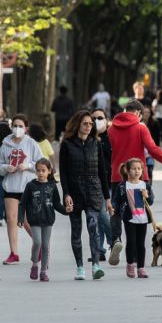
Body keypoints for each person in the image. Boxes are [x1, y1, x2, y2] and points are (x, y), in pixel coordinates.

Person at [107, 99, 162, 266]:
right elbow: (153, 150)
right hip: (139, 177)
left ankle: (116, 240)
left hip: (117, 176)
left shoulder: (111, 129)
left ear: (125, 110)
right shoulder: (141, 127)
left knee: (117, 212)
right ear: (139, 114)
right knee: (140, 212)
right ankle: (134, 255)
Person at [59, 110, 112, 280]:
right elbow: (63, 173)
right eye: (85, 124)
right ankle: (80, 267)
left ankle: (96, 265)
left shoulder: (95, 143)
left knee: (93, 226)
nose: (89, 126)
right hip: (74, 193)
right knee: (76, 231)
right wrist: (66, 194)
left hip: (93, 191)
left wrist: (107, 198)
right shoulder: (67, 144)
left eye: (91, 124)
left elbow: (102, 172)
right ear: (77, 125)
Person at [0, 114, 44, 265]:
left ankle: (41, 245)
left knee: (26, 220)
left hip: (27, 186)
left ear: (26, 128)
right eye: (15, 125)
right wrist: (6, 167)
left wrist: (28, 166)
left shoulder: (31, 143)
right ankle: (14, 253)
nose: (17, 129)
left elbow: (42, 163)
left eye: (20, 126)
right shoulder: (5, 144)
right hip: (10, 186)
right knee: (11, 219)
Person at [18, 158, 67, 282]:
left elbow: (57, 204)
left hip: (48, 221)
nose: (40, 173)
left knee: (45, 246)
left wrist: (67, 211)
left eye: (43, 170)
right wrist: (20, 218)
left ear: (49, 171)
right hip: (34, 220)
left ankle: (43, 271)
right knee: (37, 242)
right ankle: (35, 264)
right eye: (38, 170)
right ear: (35, 171)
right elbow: (22, 203)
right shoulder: (30, 186)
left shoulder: (52, 186)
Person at [112, 158, 155, 278]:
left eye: (139, 169)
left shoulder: (145, 185)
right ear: (127, 170)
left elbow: (150, 201)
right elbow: (116, 200)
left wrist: (147, 196)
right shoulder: (122, 186)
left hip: (143, 218)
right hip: (129, 218)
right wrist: (113, 208)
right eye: (134, 169)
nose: (137, 171)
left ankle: (141, 268)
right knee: (131, 242)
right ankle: (130, 264)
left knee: (141, 244)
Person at [90, 108, 112, 262]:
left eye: (100, 117)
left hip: (111, 182)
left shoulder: (112, 136)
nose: (97, 120)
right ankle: (100, 250)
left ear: (106, 119)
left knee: (105, 216)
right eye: (94, 118)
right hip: (95, 183)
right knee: (98, 218)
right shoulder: (89, 138)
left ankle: (114, 240)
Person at [142, 106, 161, 183]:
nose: (146, 114)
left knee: (150, 168)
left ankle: (149, 185)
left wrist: (156, 148)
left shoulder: (154, 122)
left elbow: (158, 136)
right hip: (141, 150)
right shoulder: (138, 123)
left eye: (148, 112)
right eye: (145, 112)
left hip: (151, 149)